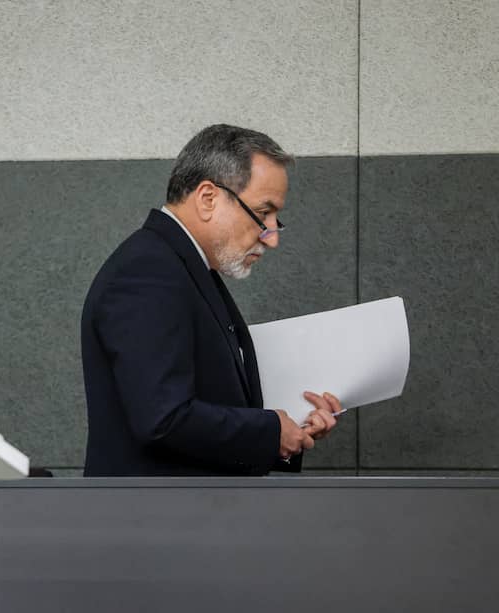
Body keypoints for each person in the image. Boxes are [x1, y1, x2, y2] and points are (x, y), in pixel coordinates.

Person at [81, 124, 340, 477]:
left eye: (276, 219)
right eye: (263, 213)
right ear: (207, 198)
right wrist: (270, 431)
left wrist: (289, 431)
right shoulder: (149, 272)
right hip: (158, 525)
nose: (272, 237)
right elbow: (163, 418)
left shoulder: (177, 267)